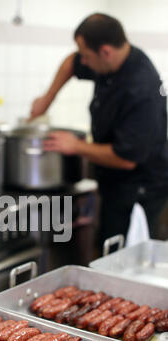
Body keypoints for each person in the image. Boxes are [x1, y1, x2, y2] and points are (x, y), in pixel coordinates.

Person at [29, 13, 168, 250]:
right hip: (114, 181)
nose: (82, 62)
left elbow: (126, 159)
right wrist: (47, 99)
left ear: (105, 52)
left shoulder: (140, 90)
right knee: (106, 247)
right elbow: (70, 64)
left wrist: (76, 146)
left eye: (86, 56)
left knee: (123, 258)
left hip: (139, 190)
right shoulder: (110, 61)